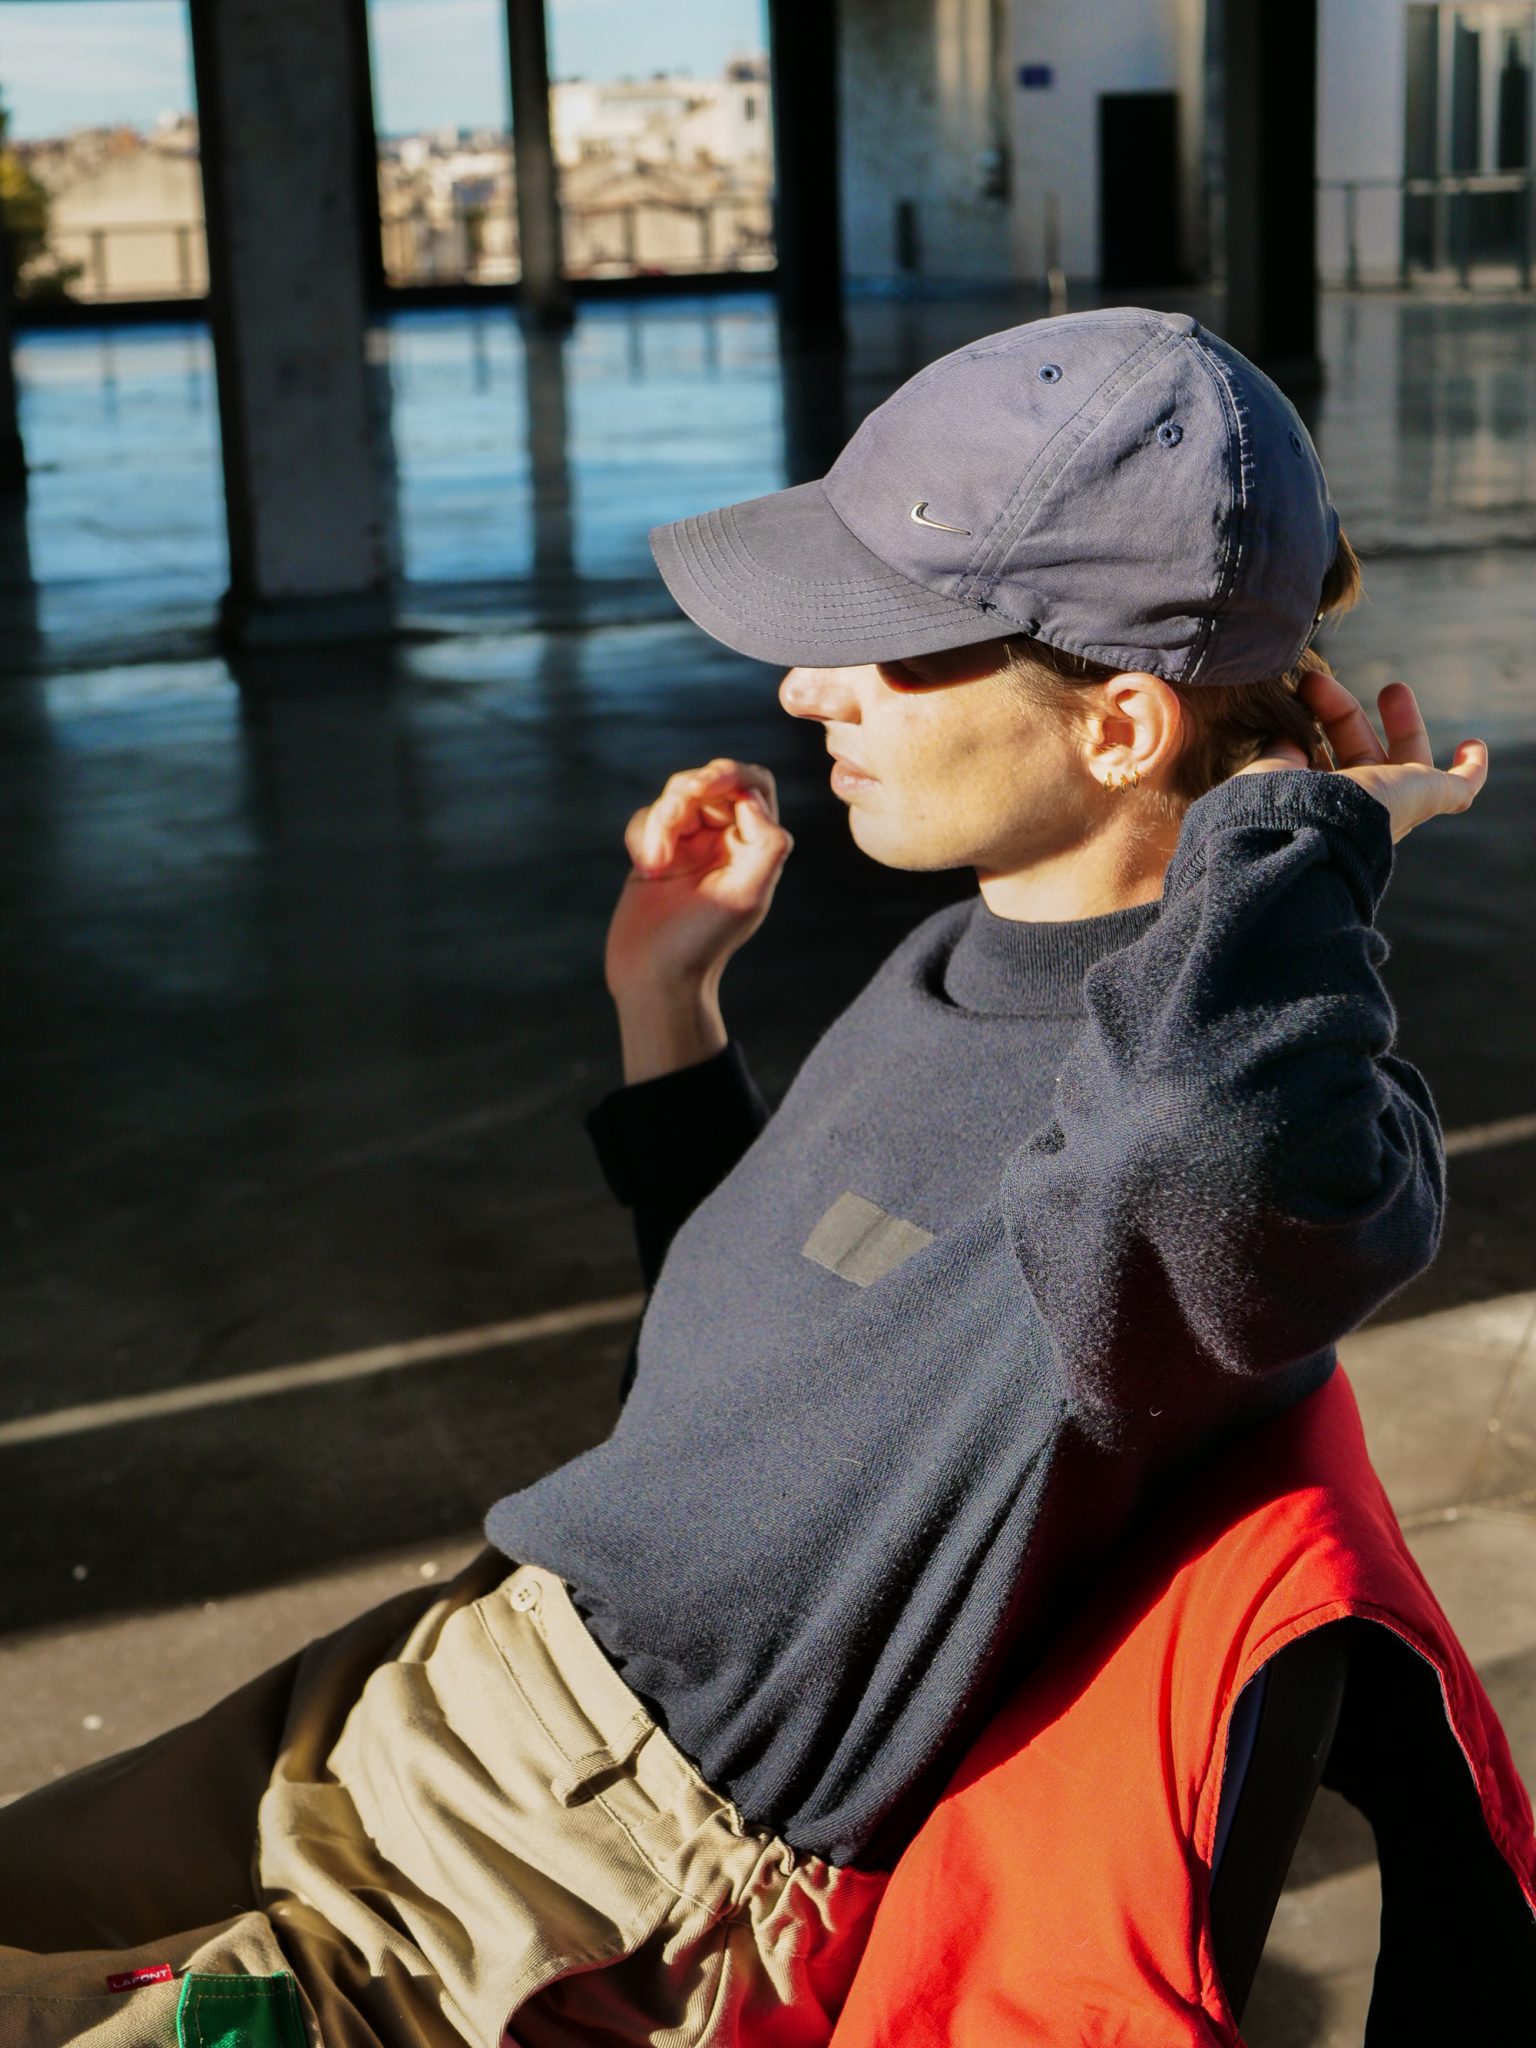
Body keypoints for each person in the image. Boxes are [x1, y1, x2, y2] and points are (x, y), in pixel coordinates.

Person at [0, 309, 1487, 2048]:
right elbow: (770, 1362)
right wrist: (671, 1008)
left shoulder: (1232, 1154)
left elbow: (1201, 1153)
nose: (803, 688)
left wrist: (1298, 849)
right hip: (454, 1676)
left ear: (1119, 728)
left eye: (887, 650)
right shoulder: (962, 961)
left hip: (600, 1884)